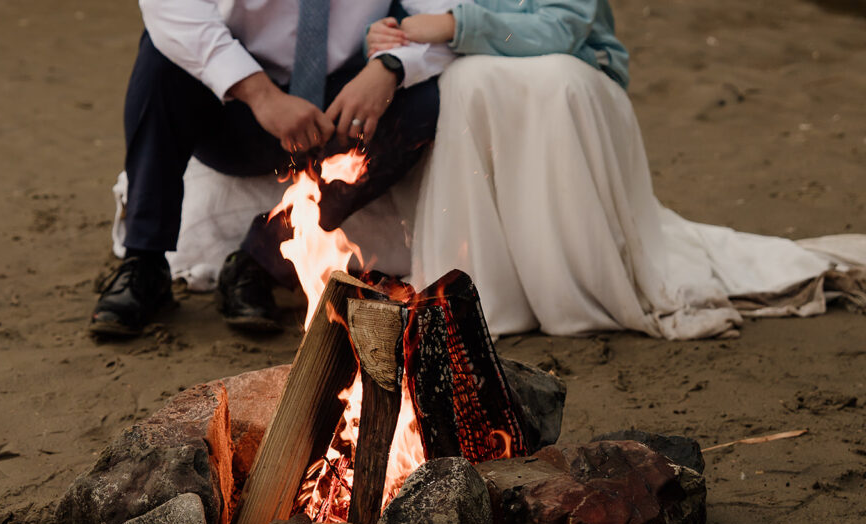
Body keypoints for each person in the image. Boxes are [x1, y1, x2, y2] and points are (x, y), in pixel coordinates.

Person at [367, 2, 866, 339]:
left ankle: (575, 280)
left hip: (571, 72)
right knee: (466, 82)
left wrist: (458, 24)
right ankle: (489, 290)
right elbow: (404, 31)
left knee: (538, 80)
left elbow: (562, 28)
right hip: (477, 86)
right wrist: (385, 39)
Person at [91, 0, 456, 337]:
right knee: (161, 58)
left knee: (425, 103)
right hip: (236, 101)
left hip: (345, 110)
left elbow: (444, 11)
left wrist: (388, 68)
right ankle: (145, 261)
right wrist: (260, 94)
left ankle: (261, 257)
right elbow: (170, 9)